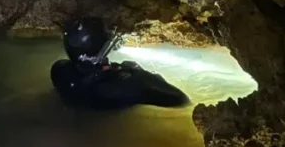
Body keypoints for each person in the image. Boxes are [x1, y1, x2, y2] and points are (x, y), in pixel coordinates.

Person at [51, 18, 190, 110]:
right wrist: (137, 72)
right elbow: (180, 99)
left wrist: (102, 72)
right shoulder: (118, 86)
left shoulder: (63, 72)